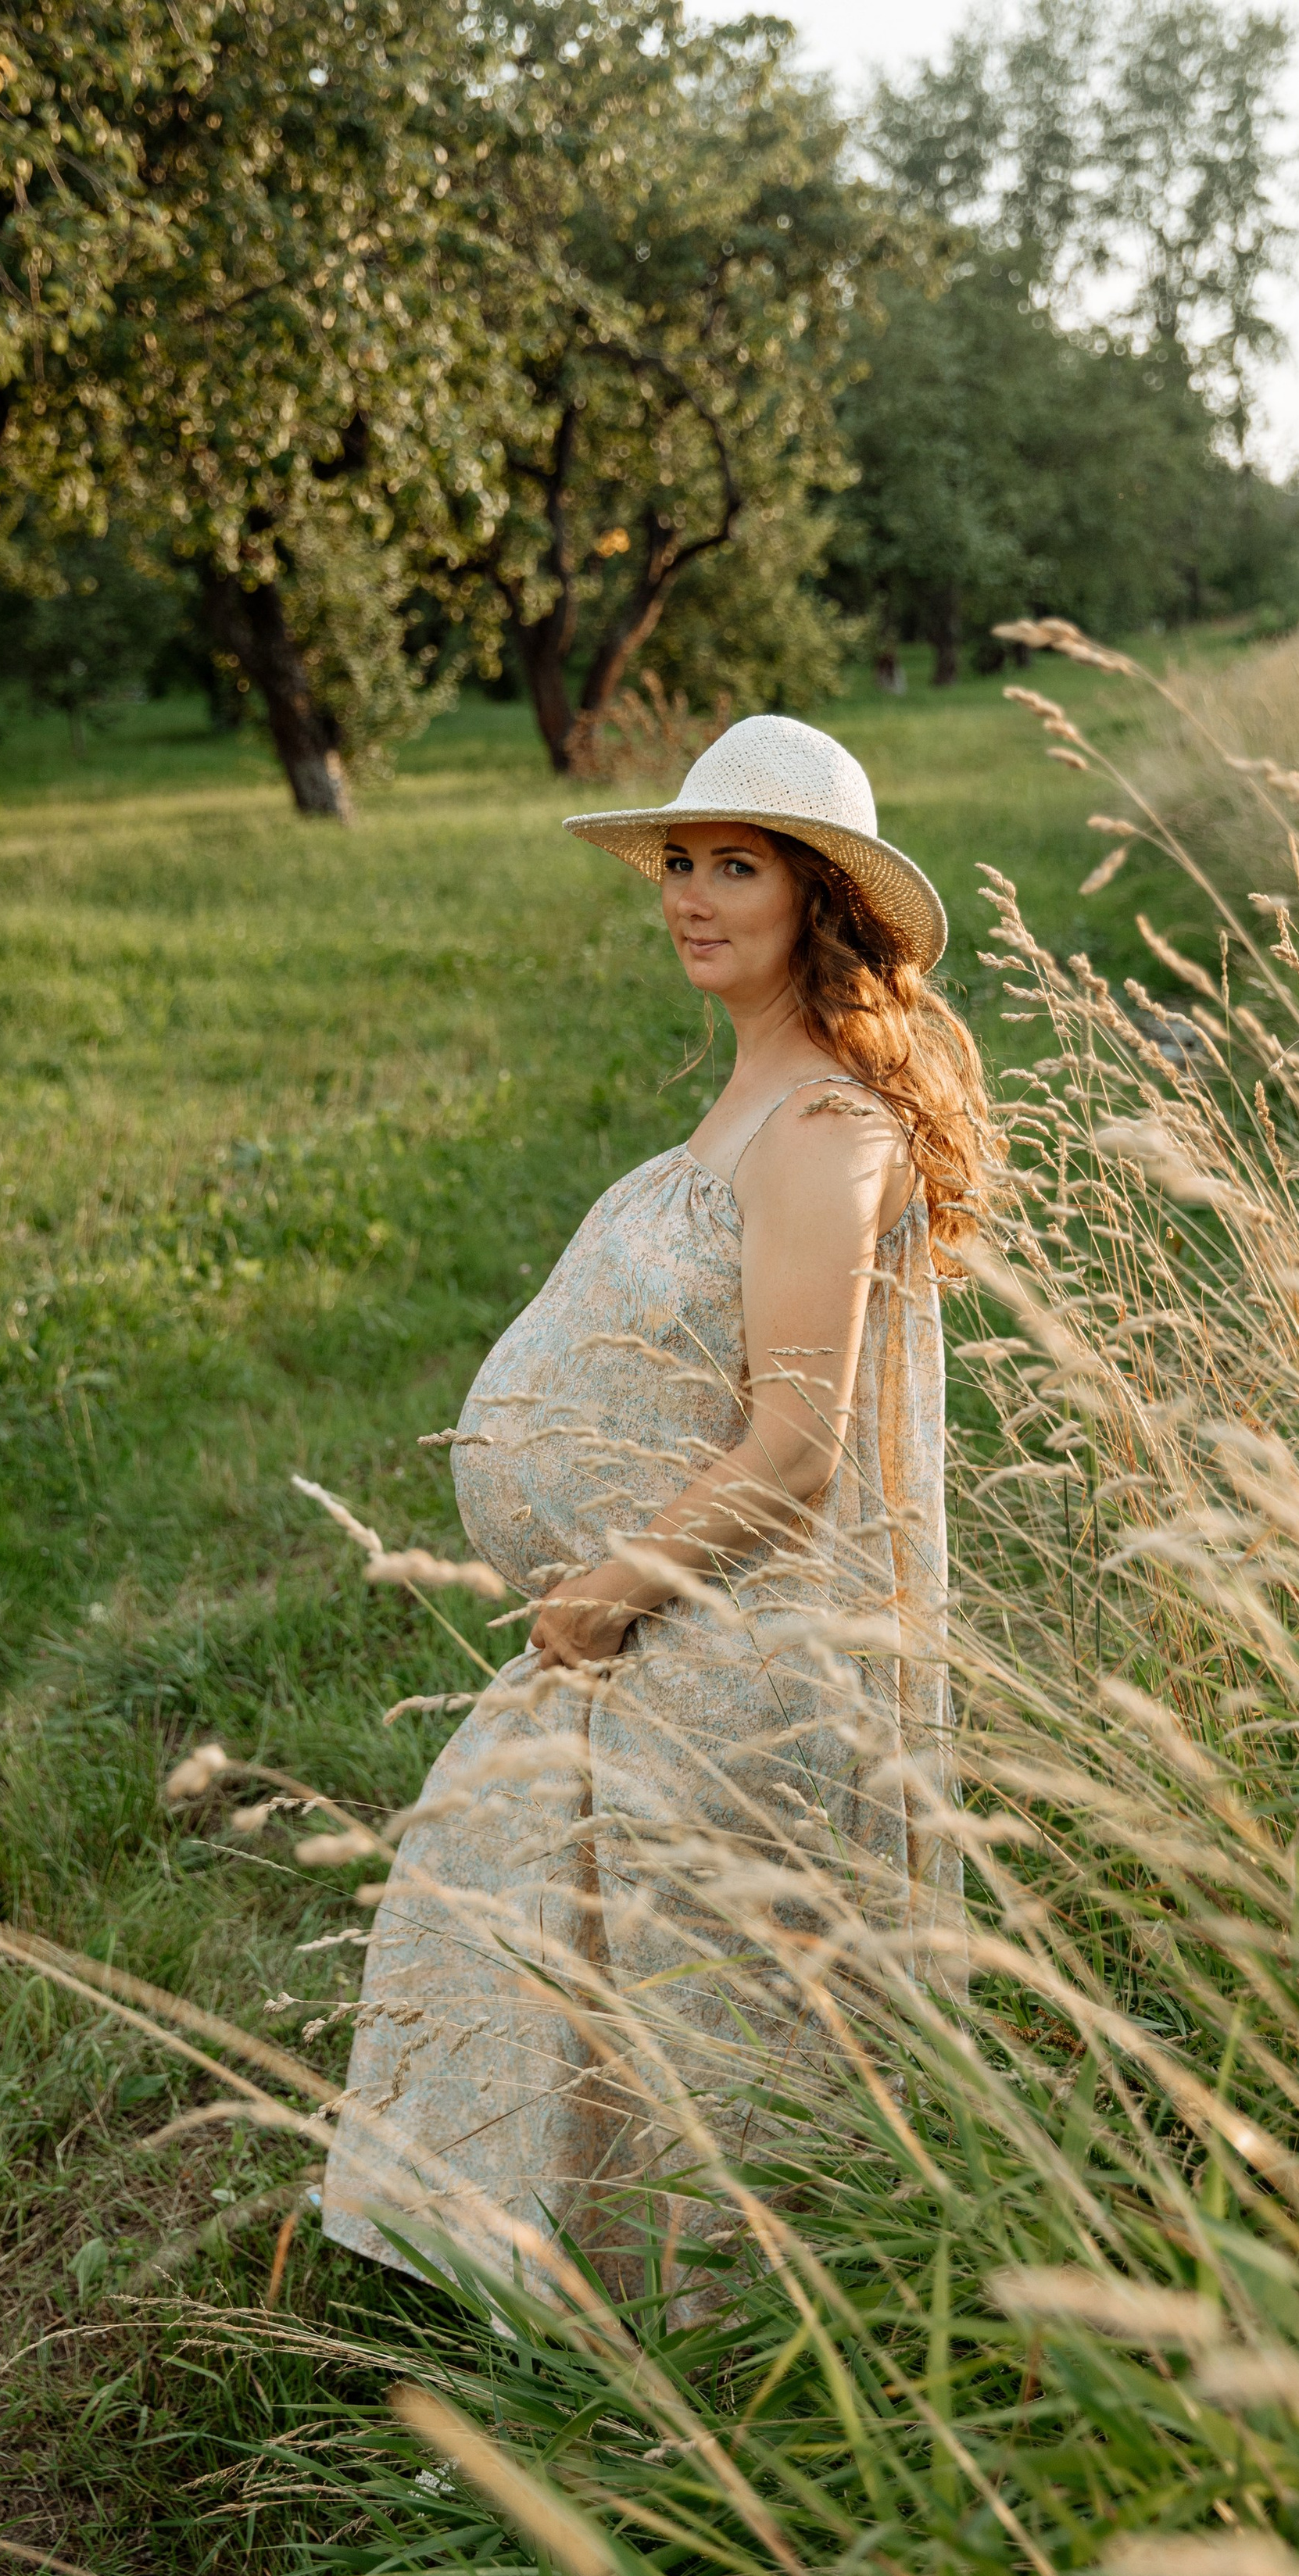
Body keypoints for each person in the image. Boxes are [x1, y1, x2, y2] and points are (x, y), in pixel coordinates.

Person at [320, 714, 989, 2302]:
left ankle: (722, 2331)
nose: (690, 896)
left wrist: (606, 1584)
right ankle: (578, 2291)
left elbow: (793, 1446)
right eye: (679, 862)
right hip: (659, 1629)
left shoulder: (824, 1127)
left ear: (818, 899)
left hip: (728, 1642)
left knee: (704, 1999)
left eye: (733, 866)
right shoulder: (751, 1097)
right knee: (526, 1911)